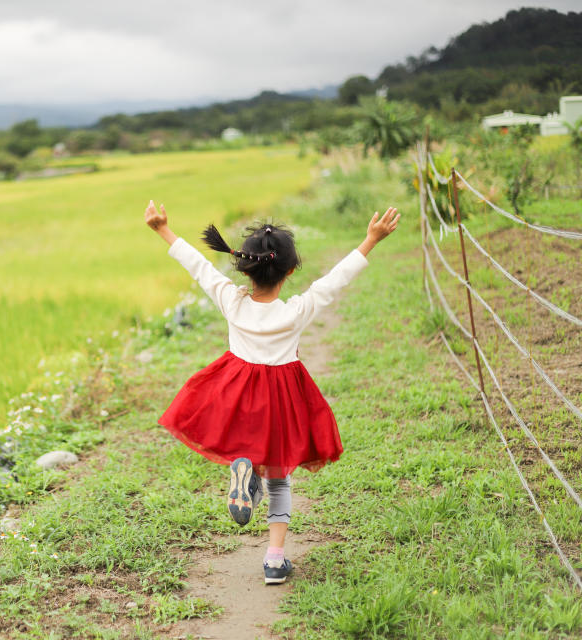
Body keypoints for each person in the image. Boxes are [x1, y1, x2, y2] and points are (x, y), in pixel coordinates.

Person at [143, 200, 399, 585]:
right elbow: (336, 280)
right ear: (291, 270)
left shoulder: (231, 300)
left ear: (243, 267)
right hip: (280, 400)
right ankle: (275, 561)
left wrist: (163, 229)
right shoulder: (296, 310)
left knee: (250, 454)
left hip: (236, 394)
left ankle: (245, 474)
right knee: (280, 480)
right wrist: (370, 241)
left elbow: (198, 267)